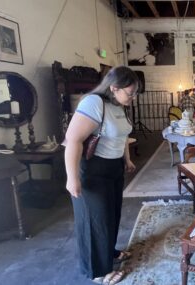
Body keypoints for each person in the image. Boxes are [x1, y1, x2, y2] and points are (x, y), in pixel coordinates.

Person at [64, 66, 138, 284]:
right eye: (130, 93)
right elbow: (73, 140)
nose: (132, 98)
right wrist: (72, 177)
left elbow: (122, 134)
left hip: (113, 168)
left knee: (111, 215)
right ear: (114, 88)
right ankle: (97, 271)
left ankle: (110, 252)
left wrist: (127, 159)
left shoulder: (117, 104)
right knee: (94, 221)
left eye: (134, 93)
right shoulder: (93, 103)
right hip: (92, 170)